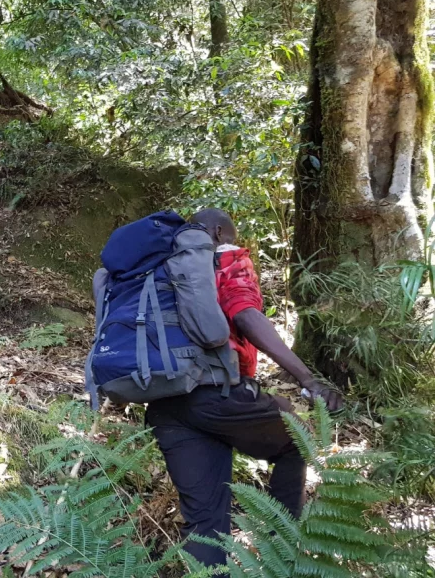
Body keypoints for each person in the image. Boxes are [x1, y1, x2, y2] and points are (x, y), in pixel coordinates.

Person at [144, 208, 343, 567]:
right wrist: (307, 378)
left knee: (205, 524)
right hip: (217, 395)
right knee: (296, 440)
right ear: (219, 232)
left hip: (164, 404)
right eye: (231, 235)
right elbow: (245, 314)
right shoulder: (224, 259)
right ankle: (280, 558)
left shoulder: (153, 267)